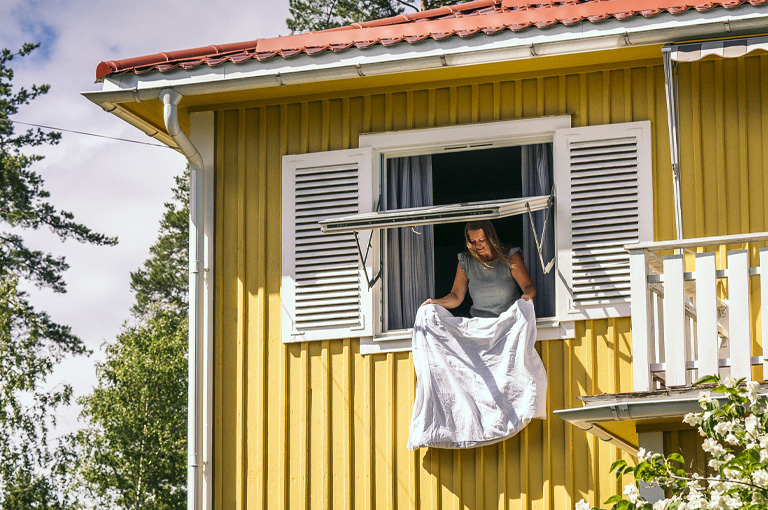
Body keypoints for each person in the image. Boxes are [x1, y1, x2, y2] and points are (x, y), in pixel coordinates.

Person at [421, 220, 536, 317]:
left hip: (509, 323)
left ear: (491, 237)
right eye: (473, 242)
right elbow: (456, 297)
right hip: (480, 326)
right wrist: (434, 302)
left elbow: (529, 287)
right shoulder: (466, 261)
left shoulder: (510, 257)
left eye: (481, 240)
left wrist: (527, 296)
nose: (477, 245)